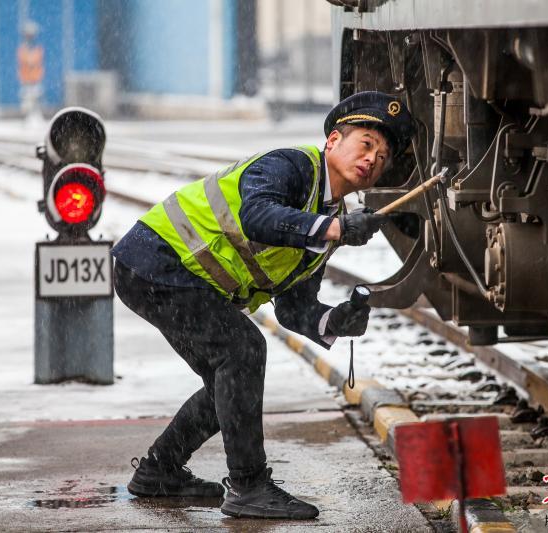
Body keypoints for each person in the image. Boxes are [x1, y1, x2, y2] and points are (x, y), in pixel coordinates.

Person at [112, 91, 414, 519]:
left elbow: (294, 308)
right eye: (365, 143)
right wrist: (333, 228)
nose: (372, 159)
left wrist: (334, 319)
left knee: (229, 380)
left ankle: (159, 472)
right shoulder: (291, 165)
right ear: (332, 141)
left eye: (382, 156)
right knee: (242, 352)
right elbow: (257, 215)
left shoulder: (325, 215)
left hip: (168, 274)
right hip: (155, 258)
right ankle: (249, 486)